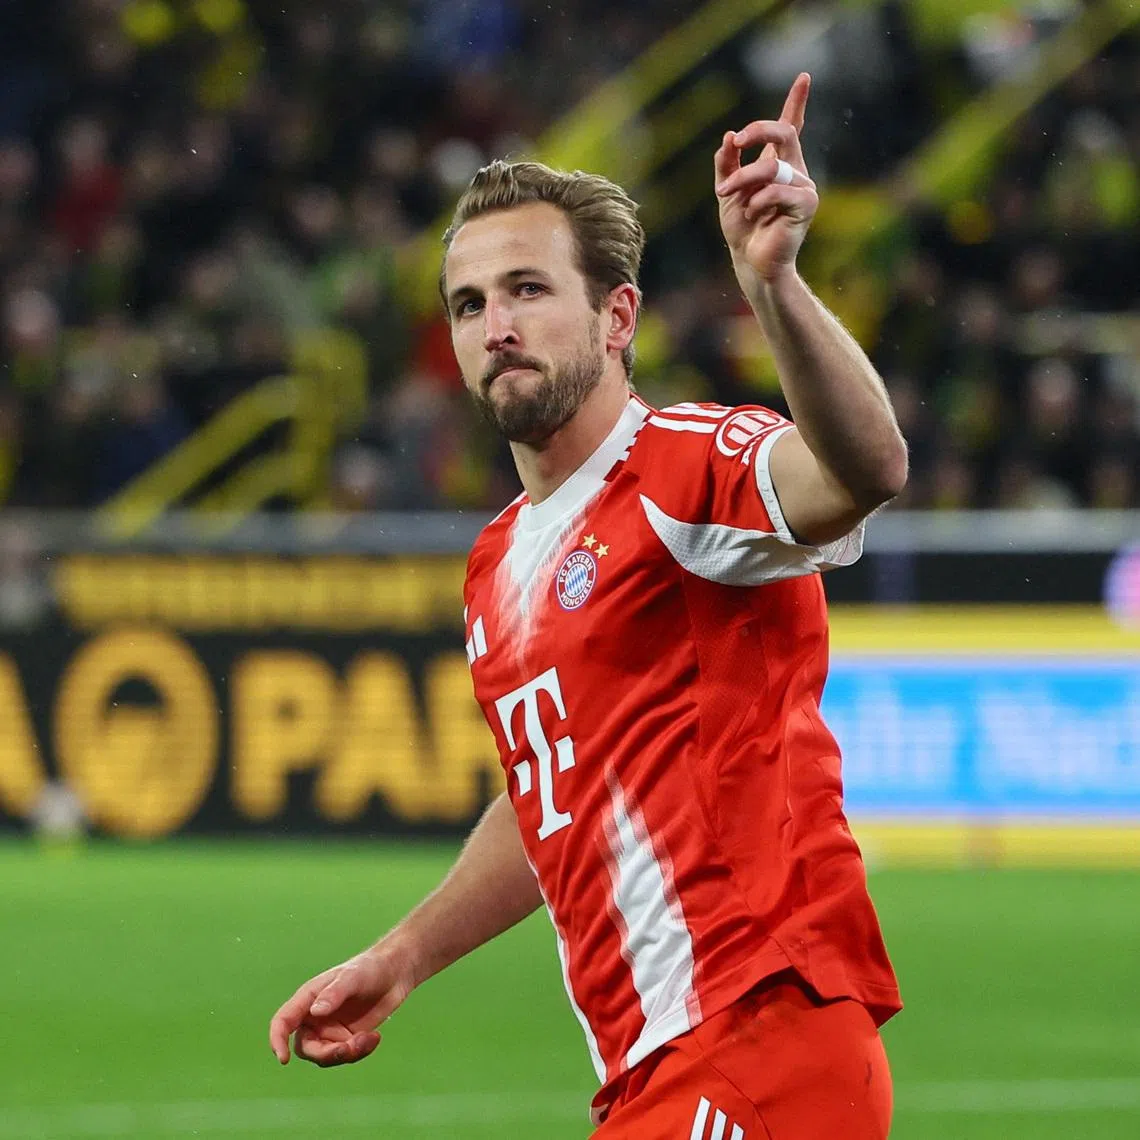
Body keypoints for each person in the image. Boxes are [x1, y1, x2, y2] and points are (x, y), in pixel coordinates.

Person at [269, 73, 906, 1139]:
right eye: (470, 304)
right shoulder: (496, 566)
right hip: (653, 1071)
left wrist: (775, 287)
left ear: (617, 318)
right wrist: (402, 956)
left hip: (760, 1027)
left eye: (526, 289)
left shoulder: (682, 465)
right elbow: (552, 801)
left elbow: (867, 468)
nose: (495, 325)